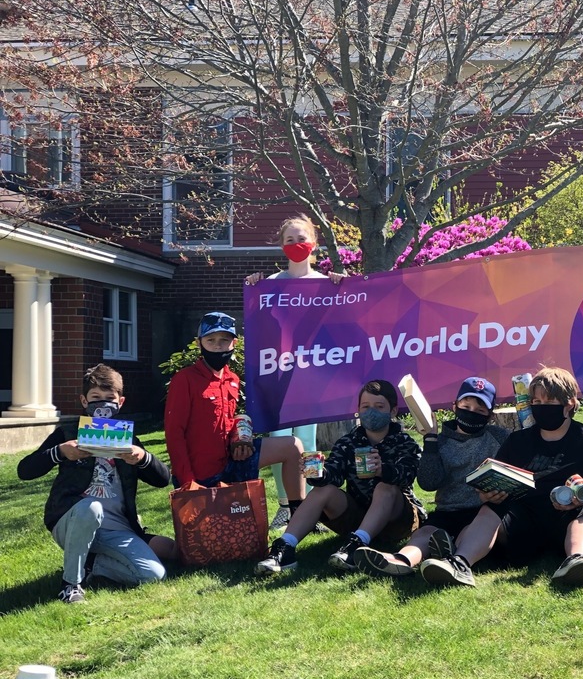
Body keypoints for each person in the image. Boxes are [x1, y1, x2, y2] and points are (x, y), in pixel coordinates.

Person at [418, 367, 583, 589]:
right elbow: (499, 480)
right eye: (536, 402)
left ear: (569, 404)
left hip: (570, 519)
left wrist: (582, 498)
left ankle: (577, 560)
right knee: (491, 508)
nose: (541, 408)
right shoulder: (518, 441)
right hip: (524, 523)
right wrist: (488, 493)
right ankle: (459, 563)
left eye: (548, 402)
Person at [17, 364, 175, 603]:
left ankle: (93, 564)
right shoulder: (68, 433)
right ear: (84, 400)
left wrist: (142, 458)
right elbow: (25, 470)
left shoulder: (128, 438)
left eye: (109, 398)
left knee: (154, 575)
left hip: (117, 528)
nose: (102, 403)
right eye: (95, 398)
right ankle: (71, 585)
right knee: (92, 508)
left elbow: (163, 479)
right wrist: (59, 452)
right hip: (72, 522)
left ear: (120, 402)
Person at [255, 379, 425, 574]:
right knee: (323, 490)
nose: (371, 412)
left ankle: (356, 546)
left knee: (384, 487)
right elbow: (334, 476)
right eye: (366, 406)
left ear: (393, 411)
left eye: (379, 407)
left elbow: (409, 476)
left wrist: (383, 470)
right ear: (358, 410)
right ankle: (284, 548)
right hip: (357, 514)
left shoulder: (405, 443)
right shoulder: (348, 442)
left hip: (397, 520)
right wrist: (318, 474)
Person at [245, 214, 345, 529]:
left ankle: (312, 506)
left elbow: (342, 323)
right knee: (279, 440)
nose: (296, 244)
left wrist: (341, 287)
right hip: (277, 375)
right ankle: (286, 506)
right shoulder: (269, 284)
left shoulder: (324, 283)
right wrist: (253, 286)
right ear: (281, 246)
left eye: (301, 238)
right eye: (289, 240)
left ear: (313, 243)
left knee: (308, 443)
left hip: (310, 376)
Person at [354, 377, 510, 577]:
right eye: (466, 406)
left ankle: (451, 555)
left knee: (471, 531)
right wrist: (430, 440)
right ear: (455, 406)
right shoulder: (440, 440)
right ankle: (400, 560)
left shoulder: (500, 437)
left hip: (483, 511)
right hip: (447, 511)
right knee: (424, 533)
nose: (471, 413)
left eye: (479, 411)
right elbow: (428, 483)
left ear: (489, 416)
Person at [164, 311, 305, 506]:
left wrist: (239, 440)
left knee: (293, 446)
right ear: (199, 343)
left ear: (234, 344)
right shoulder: (184, 379)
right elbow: (174, 433)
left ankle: (298, 516)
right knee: (219, 535)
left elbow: (227, 421)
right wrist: (188, 483)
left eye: (224, 339)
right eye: (210, 340)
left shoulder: (233, 379)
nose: (217, 345)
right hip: (200, 475)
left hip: (232, 461)